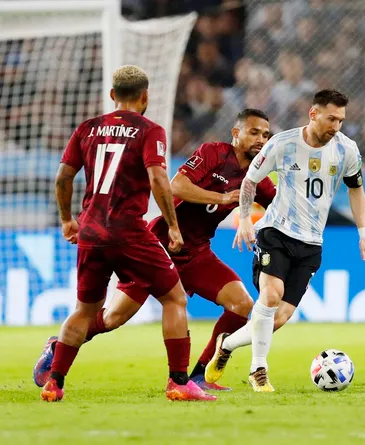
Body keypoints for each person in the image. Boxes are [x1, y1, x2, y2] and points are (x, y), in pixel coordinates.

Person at [34, 109, 282, 392]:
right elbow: (177, 186)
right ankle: (58, 346)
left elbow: (279, 204)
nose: (261, 139)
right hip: (158, 246)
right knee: (113, 318)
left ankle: (200, 375)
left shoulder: (257, 177)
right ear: (236, 134)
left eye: (265, 134)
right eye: (254, 132)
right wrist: (223, 197)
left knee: (242, 305)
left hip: (196, 254)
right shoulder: (213, 153)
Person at [37, 65, 215, 402]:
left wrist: (66, 220)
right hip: (129, 232)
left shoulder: (87, 128)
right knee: (174, 298)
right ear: (145, 96)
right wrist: (173, 226)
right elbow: (158, 179)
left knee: (85, 311)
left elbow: (63, 177)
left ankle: (55, 382)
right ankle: (178, 381)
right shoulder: (151, 130)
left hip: (90, 232)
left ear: (112, 95)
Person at [204, 89, 365, 392]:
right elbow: (250, 180)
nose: (335, 126)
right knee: (271, 295)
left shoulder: (346, 150)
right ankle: (258, 370)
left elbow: (356, 189)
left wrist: (363, 234)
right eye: (330, 119)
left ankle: (228, 344)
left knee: (278, 318)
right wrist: (246, 217)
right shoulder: (283, 143)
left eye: (340, 120)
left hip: (312, 243)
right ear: (313, 114)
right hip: (276, 231)